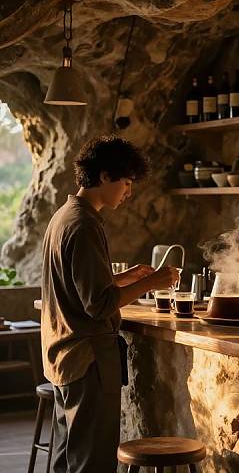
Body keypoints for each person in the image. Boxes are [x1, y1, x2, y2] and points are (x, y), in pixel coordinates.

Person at [41, 136, 180, 472]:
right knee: (92, 461)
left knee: (67, 457)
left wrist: (125, 277)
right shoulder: (85, 224)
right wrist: (153, 282)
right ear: (104, 177)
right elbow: (99, 305)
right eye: (127, 182)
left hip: (63, 355)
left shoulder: (65, 216)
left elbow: (78, 288)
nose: (129, 192)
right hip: (87, 360)